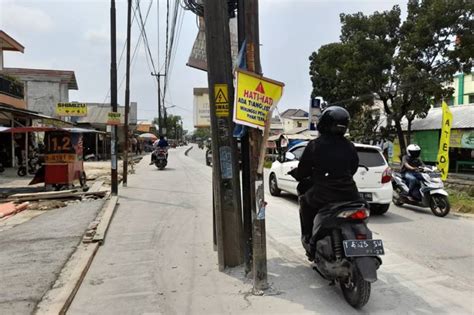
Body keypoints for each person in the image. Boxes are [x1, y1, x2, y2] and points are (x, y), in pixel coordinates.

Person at [295, 106, 360, 256]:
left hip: (324, 195)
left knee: (305, 202)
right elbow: (353, 168)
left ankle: (309, 239)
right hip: (351, 195)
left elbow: (303, 171)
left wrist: (301, 174)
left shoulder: (315, 145)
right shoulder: (349, 146)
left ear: (323, 123)